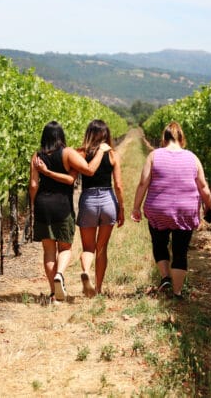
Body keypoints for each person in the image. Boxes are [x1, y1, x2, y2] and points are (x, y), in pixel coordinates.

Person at [131, 121, 211, 300]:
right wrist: (209, 208)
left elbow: (143, 182)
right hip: (185, 211)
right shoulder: (192, 157)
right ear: (181, 138)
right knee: (180, 250)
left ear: (164, 138)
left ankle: (165, 277)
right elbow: (204, 187)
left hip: (158, 210)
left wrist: (136, 207)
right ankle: (177, 292)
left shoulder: (154, 155)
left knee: (159, 244)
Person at [29, 121, 110, 303]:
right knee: (65, 247)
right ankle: (60, 274)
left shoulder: (37, 156)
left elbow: (33, 185)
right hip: (62, 205)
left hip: (43, 204)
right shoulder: (67, 153)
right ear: (61, 136)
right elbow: (86, 171)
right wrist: (101, 151)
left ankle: (53, 292)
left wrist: (34, 205)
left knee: (48, 250)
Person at [75, 120, 124, 297]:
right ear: (107, 134)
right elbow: (118, 185)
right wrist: (121, 209)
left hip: (88, 199)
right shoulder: (113, 155)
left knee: (88, 247)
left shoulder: (80, 153)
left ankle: (86, 271)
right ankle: (98, 288)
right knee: (102, 248)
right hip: (108, 201)